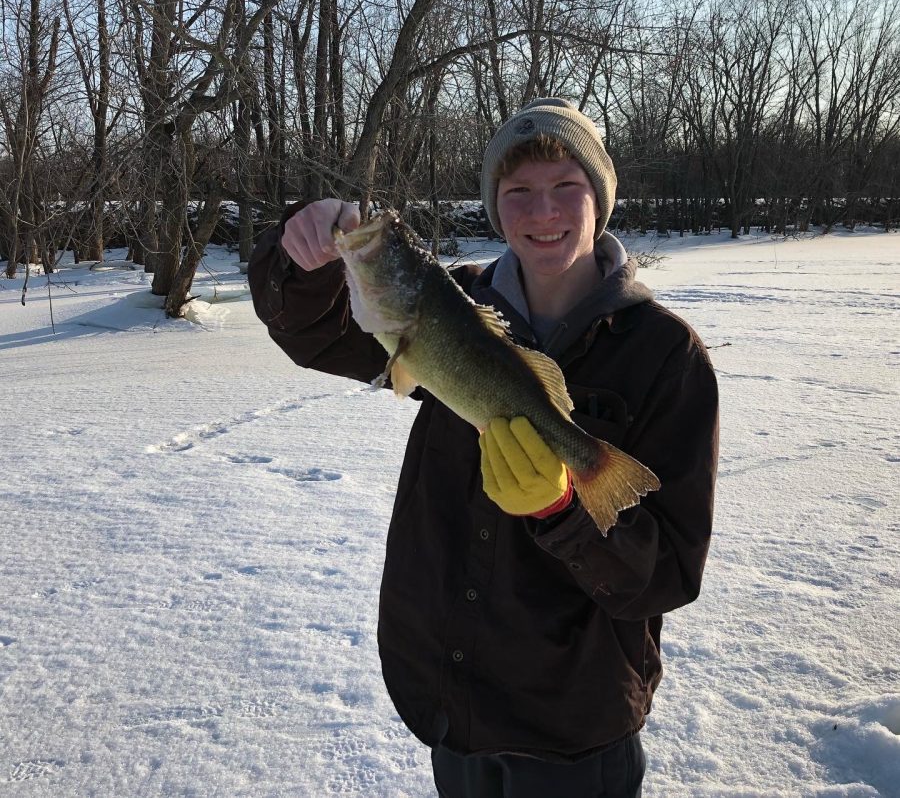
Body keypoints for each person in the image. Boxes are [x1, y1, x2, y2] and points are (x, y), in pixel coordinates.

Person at [248, 98, 718, 797]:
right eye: (518, 192)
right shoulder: (448, 304)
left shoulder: (665, 354)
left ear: (601, 197)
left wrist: (563, 511)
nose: (543, 211)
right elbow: (314, 331)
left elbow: (667, 575)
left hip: (575, 722)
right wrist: (304, 249)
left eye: (568, 187)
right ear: (496, 207)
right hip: (453, 694)